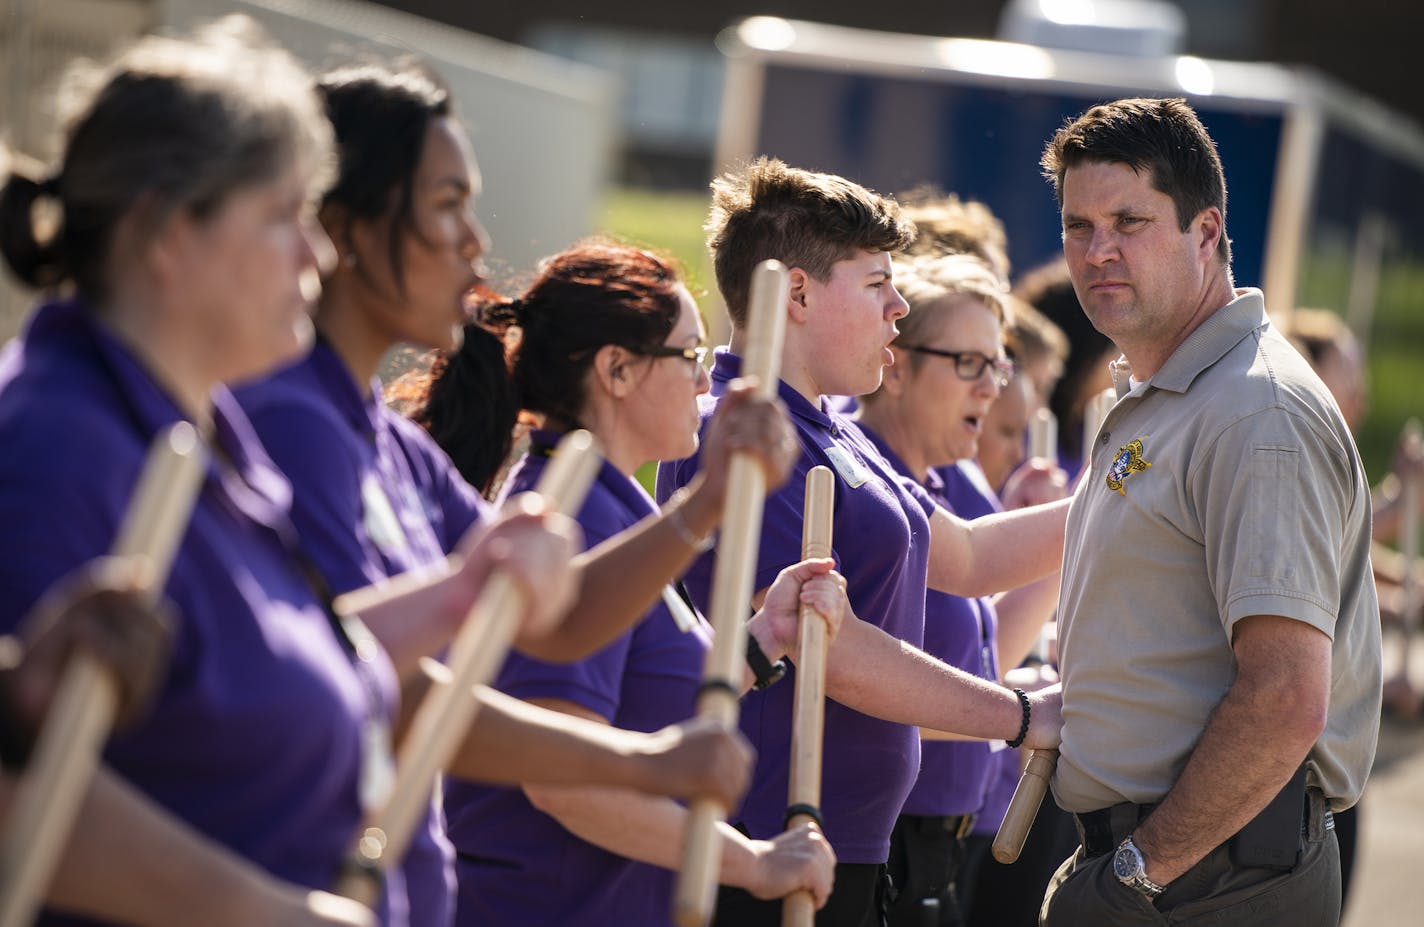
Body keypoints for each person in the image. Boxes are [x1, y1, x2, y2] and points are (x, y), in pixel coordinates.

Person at [231, 64, 774, 924]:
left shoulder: (389, 444)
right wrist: (645, 764)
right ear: (348, 227)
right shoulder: (289, 424)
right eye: (446, 205)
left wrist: (706, 505)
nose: (475, 242)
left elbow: (553, 617)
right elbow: (372, 691)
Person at [0, 18, 429, 924]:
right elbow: (19, 799)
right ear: (166, 230)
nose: (318, 256)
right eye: (282, 216)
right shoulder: (53, 452)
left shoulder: (213, 428)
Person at [658, 157, 1070, 926]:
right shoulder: (740, 425)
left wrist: (1131, 495)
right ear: (801, 294)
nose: (899, 306)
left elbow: (973, 557)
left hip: (851, 846)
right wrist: (1018, 713)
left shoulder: (833, 432)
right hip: (772, 836)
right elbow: (824, 646)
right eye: (878, 283)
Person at [393, 239, 838, 924]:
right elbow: (562, 784)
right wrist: (755, 863)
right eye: (689, 356)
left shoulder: (616, 506)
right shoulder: (573, 514)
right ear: (617, 370)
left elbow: (641, 696)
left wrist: (758, 642)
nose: (705, 381)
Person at [1036, 97, 1381, 926]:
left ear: (1206, 230)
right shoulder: (1181, 393)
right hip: (1185, 866)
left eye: (1129, 219)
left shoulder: (1256, 409)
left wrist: (1135, 873)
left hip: (1209, 878)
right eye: (1078, 226)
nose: (1099, 250)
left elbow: (1285, 695)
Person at [852, 253, 1063, 926]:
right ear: (895, 363)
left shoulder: (945, 483)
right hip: (883, 839)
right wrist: (1023, 712)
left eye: (997, 365)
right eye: (969, 363)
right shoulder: (866, 486)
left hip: (946, 840)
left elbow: (982, 660)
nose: (992, 388)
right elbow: (867, 689)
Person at [1013, 259, 1118, 482]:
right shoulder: (1017, 438)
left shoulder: (1093, 429)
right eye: (1116, 346)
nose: (1127, 359)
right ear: (1086, 352)